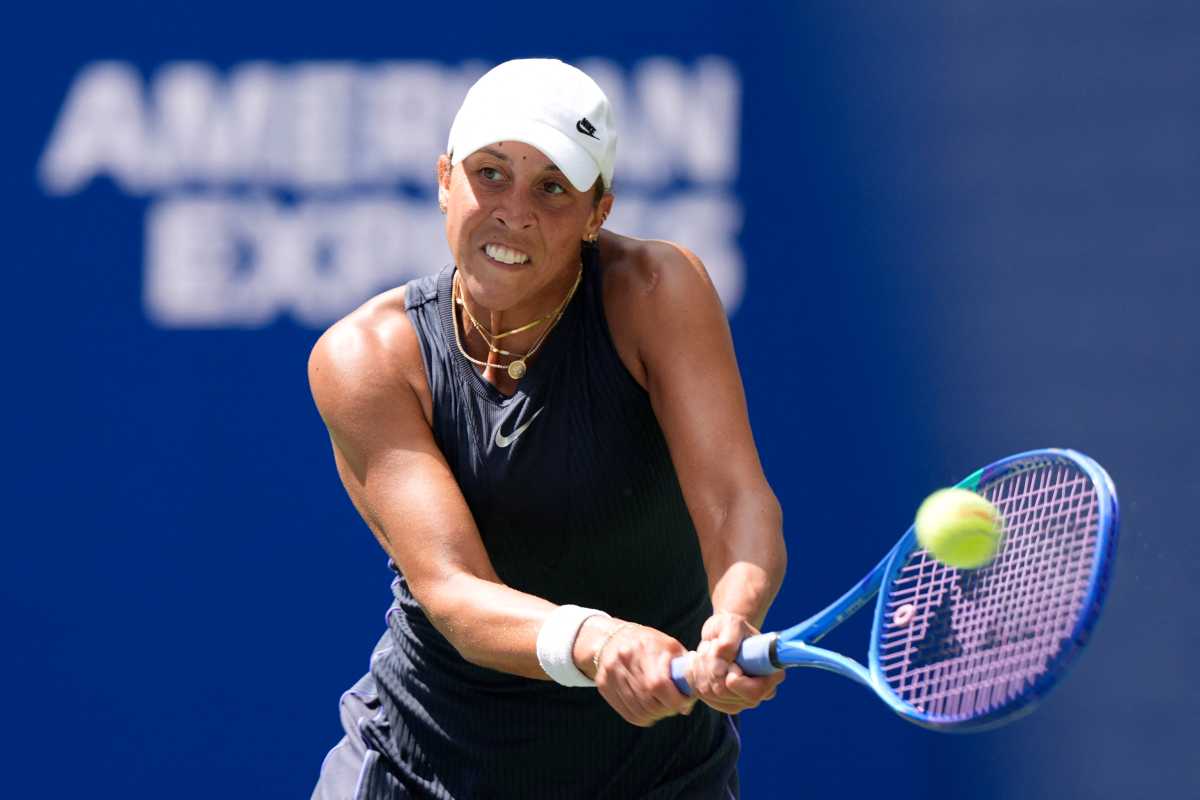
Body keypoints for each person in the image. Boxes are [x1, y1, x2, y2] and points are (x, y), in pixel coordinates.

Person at [308, 58, 787, 799]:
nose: (514, 211)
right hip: (424, 771)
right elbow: (456, 593)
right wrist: (600, 643)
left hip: (657, 778)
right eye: (489, 173)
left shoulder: (656, 293)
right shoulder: (367, 356)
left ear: (598, 213)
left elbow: (732, 498)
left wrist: (735, 615)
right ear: (444, 180)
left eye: (553, 188)